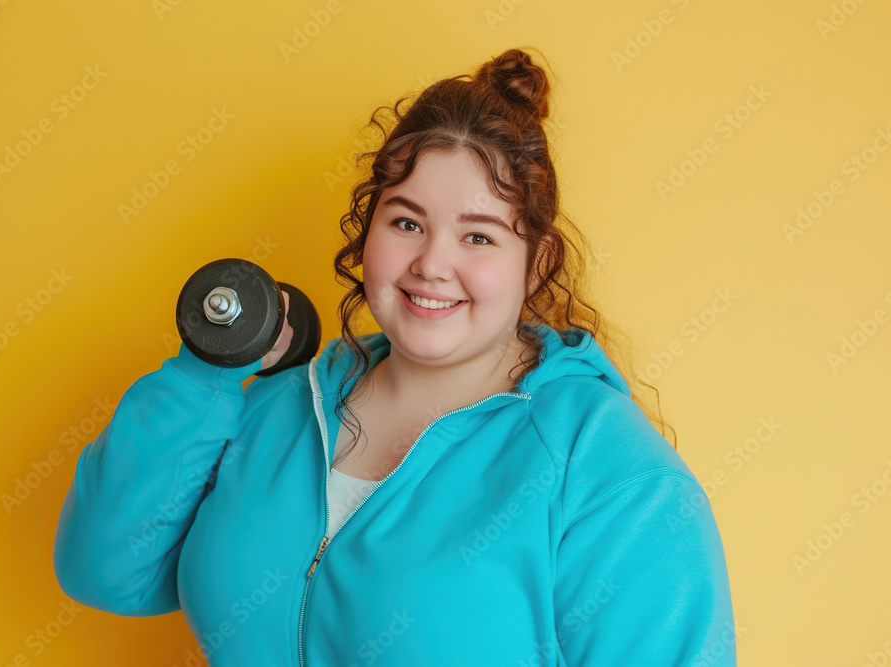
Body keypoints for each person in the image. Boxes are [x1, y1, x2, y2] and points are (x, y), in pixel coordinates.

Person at [53, 47, 736, 666]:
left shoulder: (610, 474)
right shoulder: (278, 409)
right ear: (367, 230)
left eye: (479, 237)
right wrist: (211, 367)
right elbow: (108, 569)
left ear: (536, 264)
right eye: (406, 222)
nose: (432, 264)